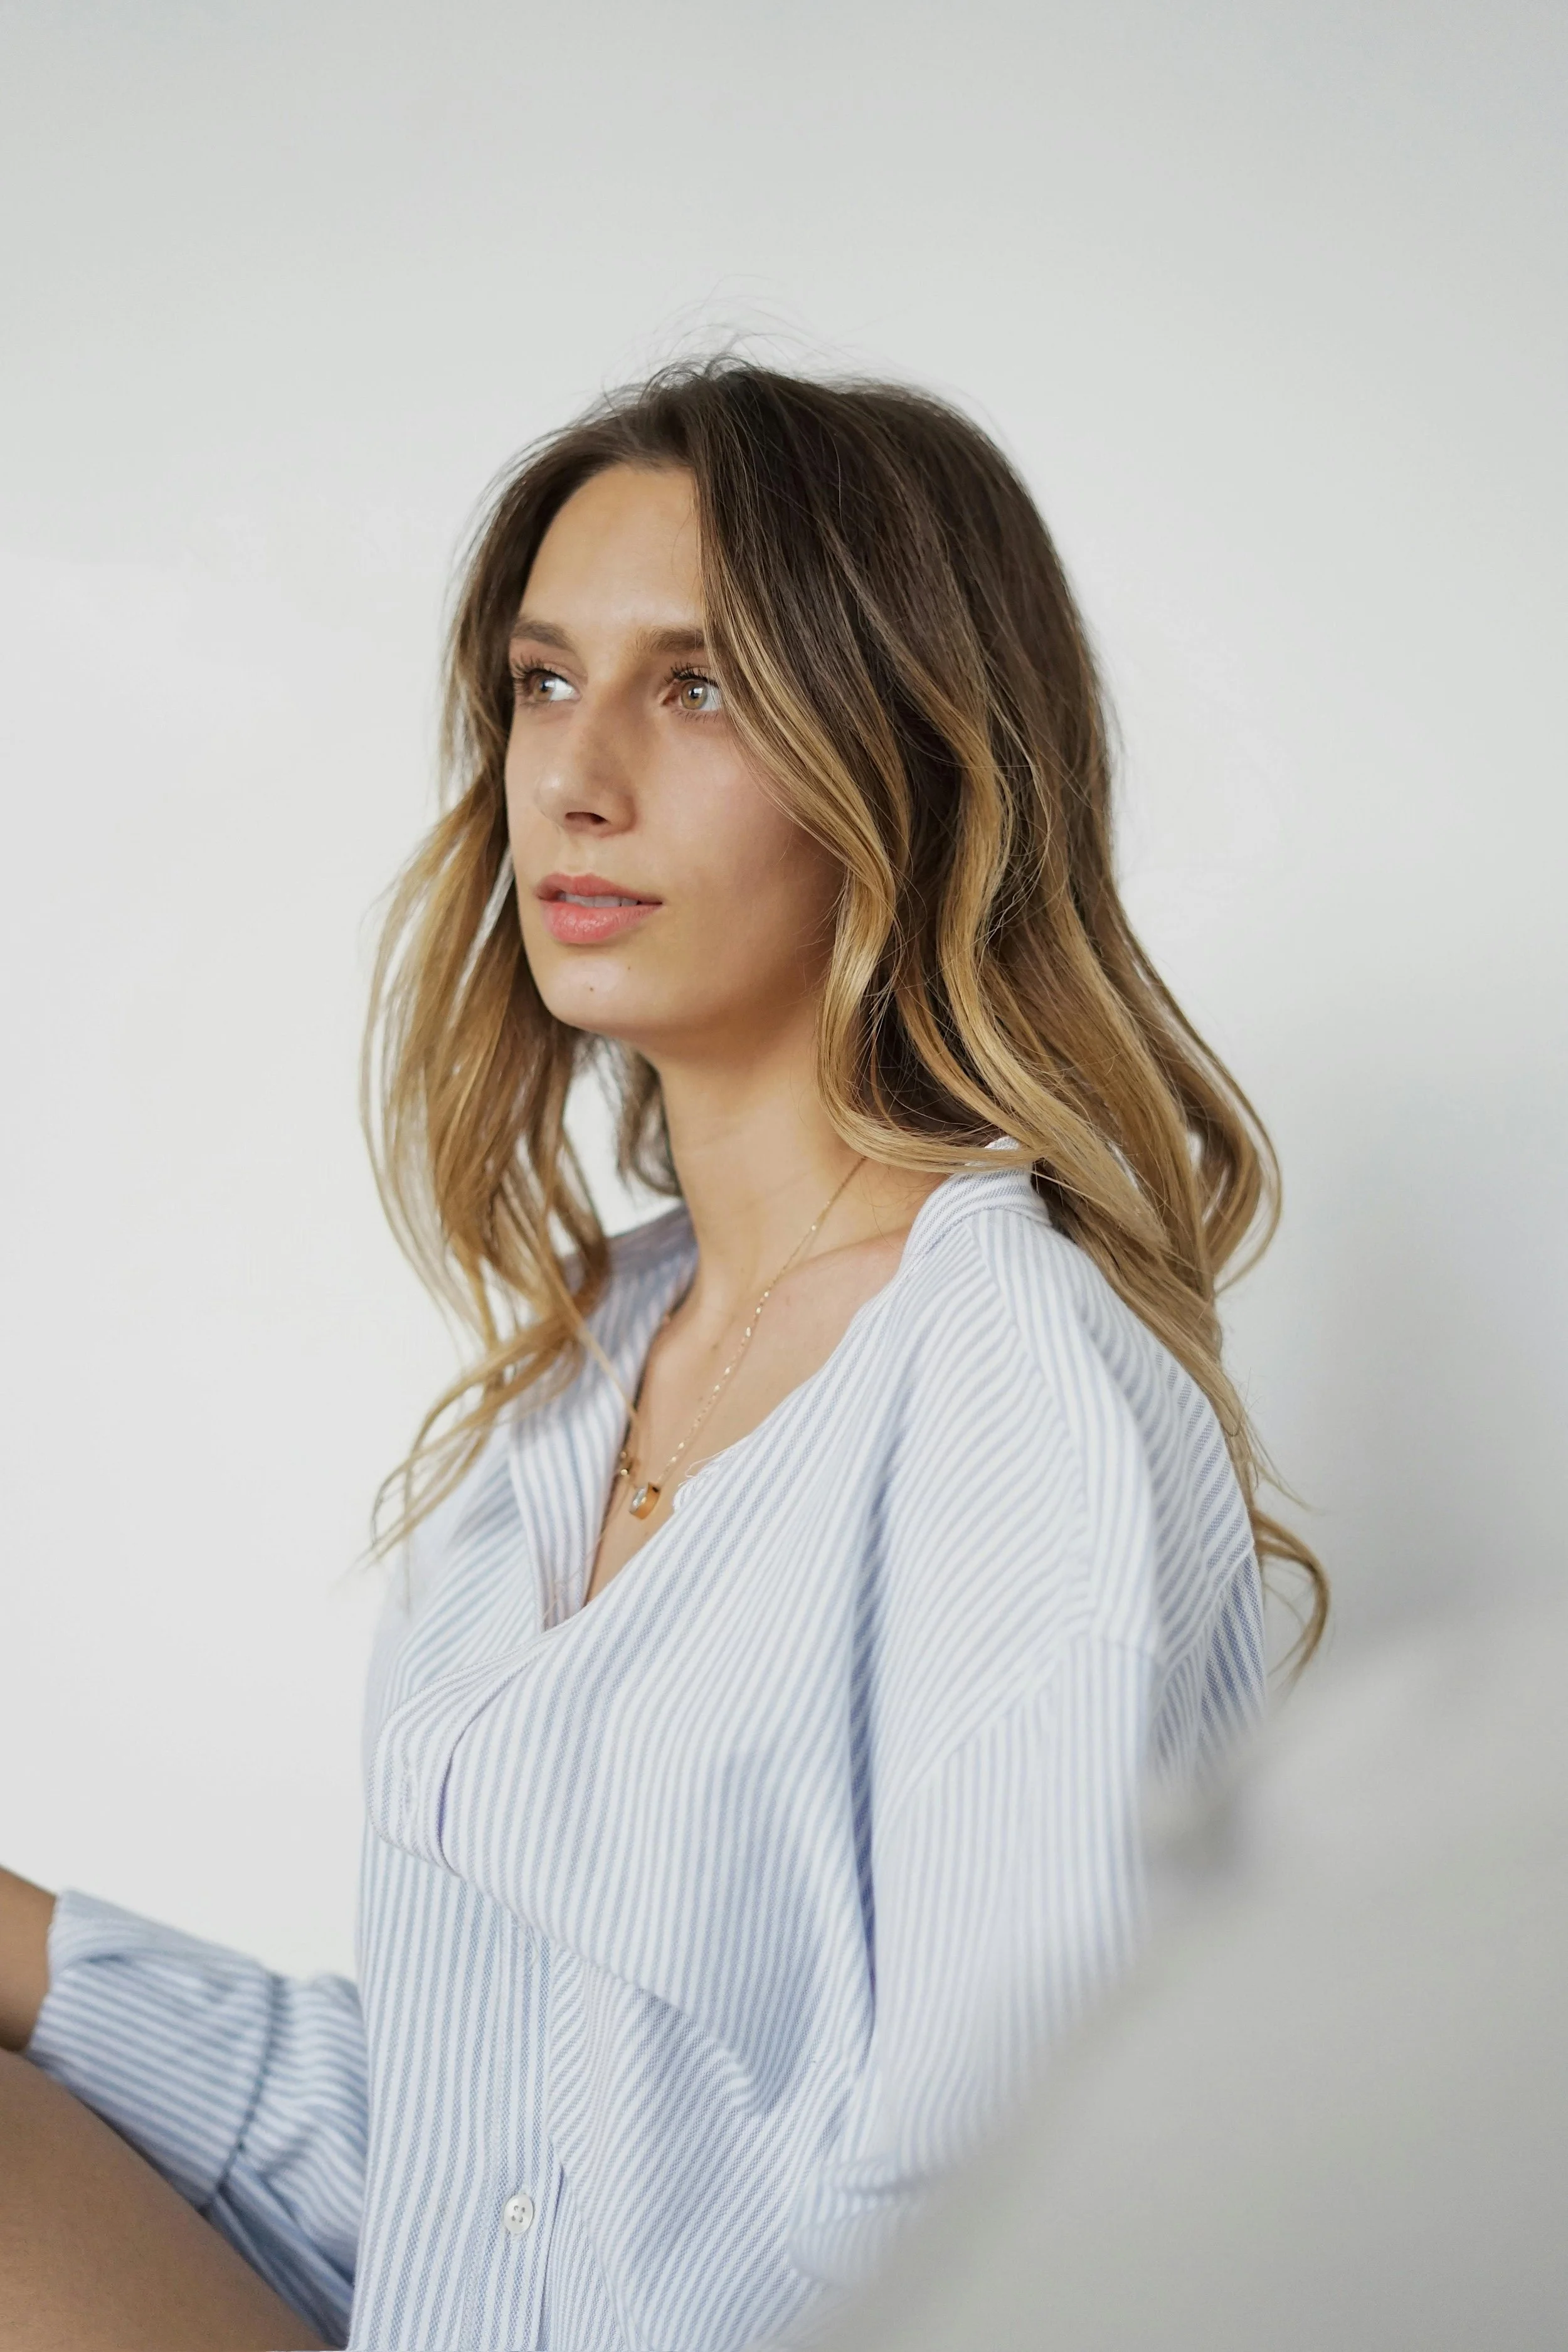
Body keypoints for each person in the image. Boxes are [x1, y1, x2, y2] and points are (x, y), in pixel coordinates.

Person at [0, 360, 1323, 2352]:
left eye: (694, 686)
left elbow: (1002, 2246)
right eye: (545, 682)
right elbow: (501, 2189)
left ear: (911, 751)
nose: (574, 773)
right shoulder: (585, 1363)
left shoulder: (1007, 1396)